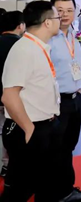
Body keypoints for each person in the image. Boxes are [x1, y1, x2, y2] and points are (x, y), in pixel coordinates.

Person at [1, 1, 61, 201]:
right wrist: (29, 129)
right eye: (57, 16)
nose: (61, 20)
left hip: (46, 124)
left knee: (46, 183)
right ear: (47, 23)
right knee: (21, 188)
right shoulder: (24, 50)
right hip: (29, 128)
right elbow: (9, 96)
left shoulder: (39, 47)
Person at [48, 0, 81, 202]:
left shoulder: (73, 35)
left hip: (75, 99)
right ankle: (55, 193)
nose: (64, 15)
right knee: (55, 150)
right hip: (56, 103)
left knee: (68, 147)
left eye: (69, 10)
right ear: (51, 12)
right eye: (59, 10)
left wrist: (78, 90)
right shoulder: (48, 38)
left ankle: (66, 190)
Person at [0, 11, 25, 177]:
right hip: (14, 99)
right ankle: (8, 166)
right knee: (13, 133)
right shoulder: (21, 46)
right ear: (20, 25)